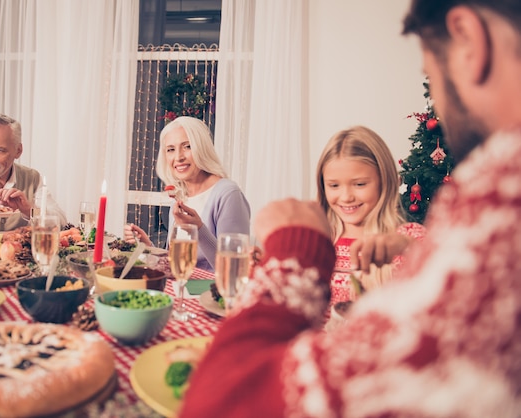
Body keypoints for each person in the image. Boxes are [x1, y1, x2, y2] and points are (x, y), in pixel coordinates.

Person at [178, 1, 521, 416]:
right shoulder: (490, 211)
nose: (442, 111)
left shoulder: (497, 213)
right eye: (335, 185)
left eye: (430, 76)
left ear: (469, 38)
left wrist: (295, 253)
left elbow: (223, 403)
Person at [316, 126, 426, 308]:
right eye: (334, 186)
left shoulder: (406, 238)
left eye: (359, 184)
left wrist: (406, 246)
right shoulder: (317, 241)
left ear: (384, 181)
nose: (346, 197)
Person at [124, 116, 250, 272]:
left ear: (202, 148)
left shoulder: (228, 195)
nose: (178, 157)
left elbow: (234, 270)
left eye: (187, 146)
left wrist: (199, 229)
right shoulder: (180, 196)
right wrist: (147, 247)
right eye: (171, 149)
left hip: (211, 294)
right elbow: (176, 265)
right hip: (180, 290)